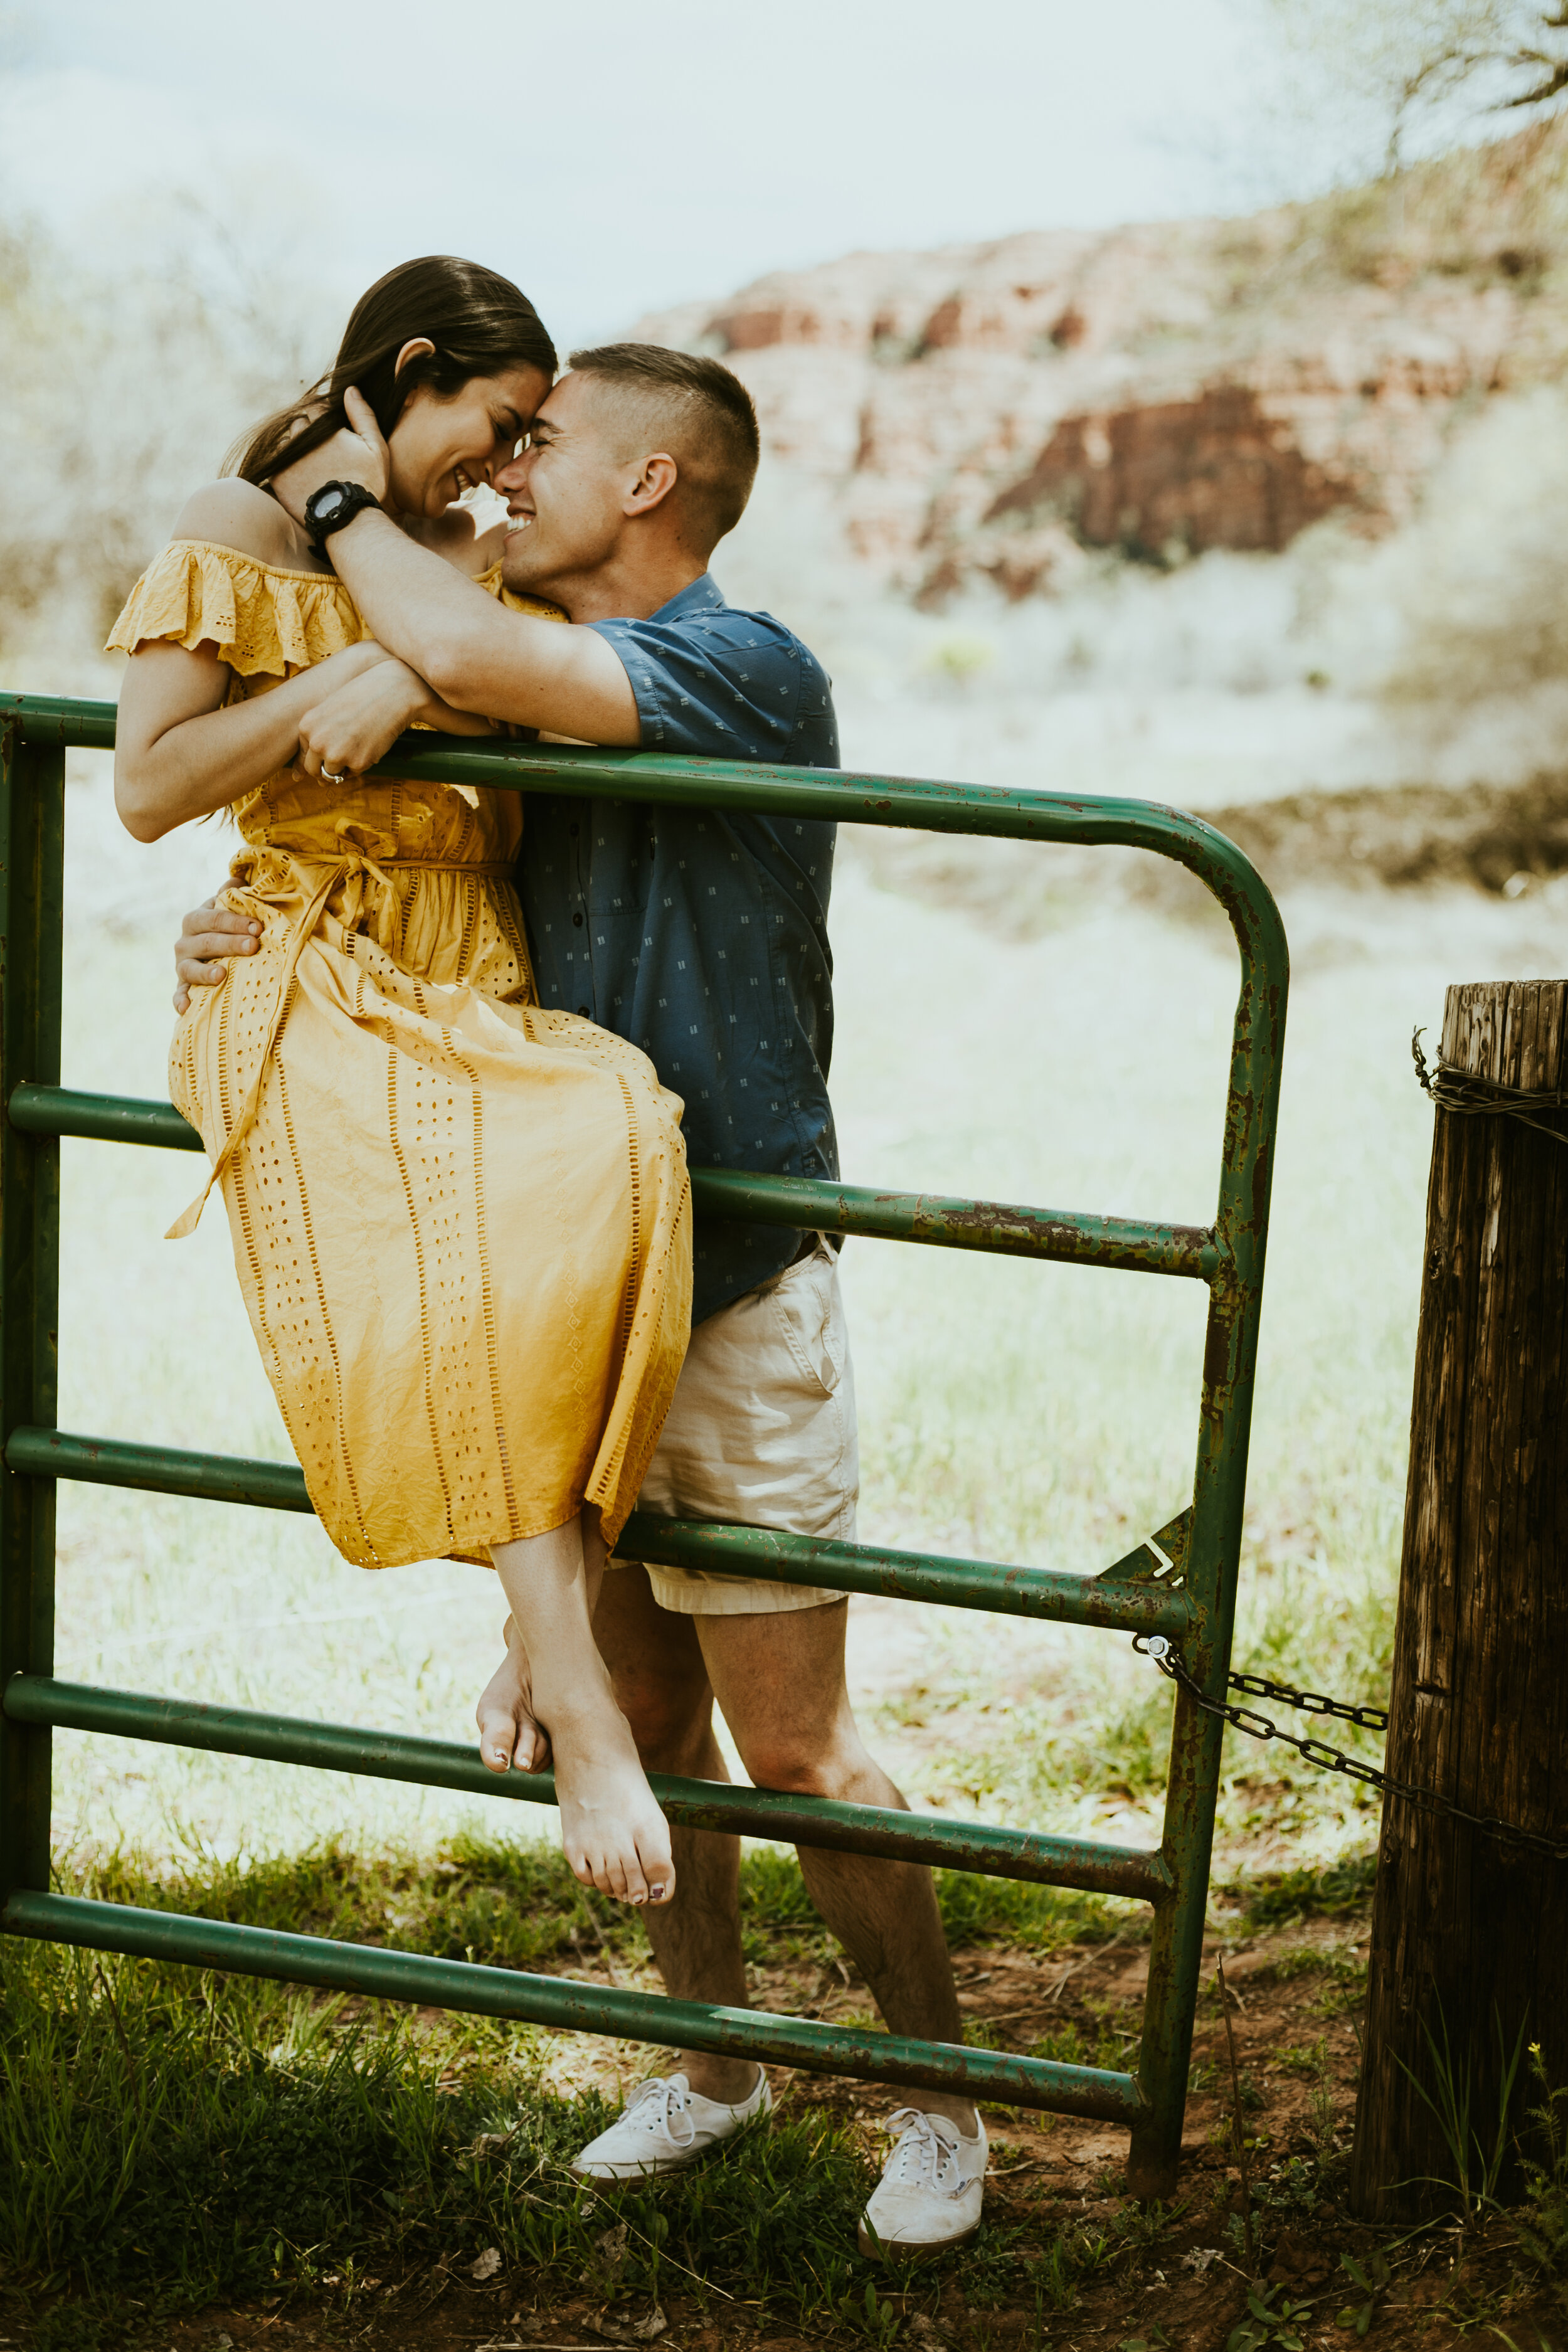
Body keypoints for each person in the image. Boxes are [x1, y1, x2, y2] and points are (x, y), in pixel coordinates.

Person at [176, 339, 990, 2257]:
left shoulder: (740, 663)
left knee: (797, 1744)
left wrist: (343, 503)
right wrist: (236, 928)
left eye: (542, 448)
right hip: (556, 1271)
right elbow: (364, 853)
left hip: (729, 1270)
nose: (504, 472)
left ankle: (952, 2099)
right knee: (636, 1699)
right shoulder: (491, 672)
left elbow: (473, 658)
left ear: (647, 487)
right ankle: (710, 2061)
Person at [112, 257, 693, 1915]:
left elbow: (552, 696)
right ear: (416, 368)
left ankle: (537, 1636)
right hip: (298, 966)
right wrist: (344, 680)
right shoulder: (238, 523)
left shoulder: (480, 557)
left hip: (472, 964)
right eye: (498, 426)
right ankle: (577, 1701)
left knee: (608, 1157)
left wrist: (424, 667)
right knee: (455, 1271)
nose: (506, 468)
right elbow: (149, 788)